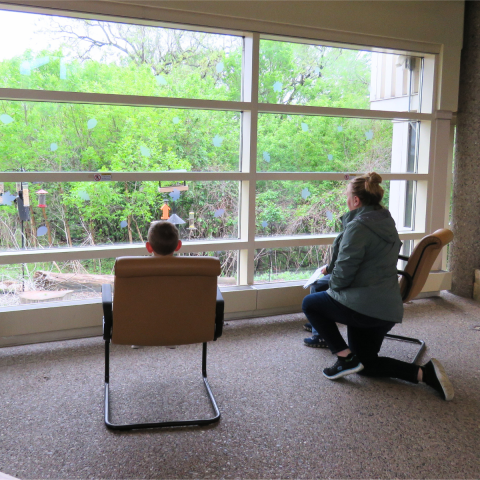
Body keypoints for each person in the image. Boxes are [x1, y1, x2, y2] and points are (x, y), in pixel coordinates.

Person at [302, 172, 454, 401]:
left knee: (311, 303)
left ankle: (344, 357)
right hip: (386, 308)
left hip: (365, 308)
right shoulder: (385, 219)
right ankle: (425, 374)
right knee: (366, 365)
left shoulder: (358, 227)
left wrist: (329, 282)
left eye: (347, 196)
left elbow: (342, 279)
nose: (346, 200)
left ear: (356, 201)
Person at [131, 221, 182, 349]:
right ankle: (169, 336)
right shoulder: (190, 269)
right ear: (178, 245)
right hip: (177, 318)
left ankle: (141, 336)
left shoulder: (135, 270)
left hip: (144, 319)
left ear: (148, 247)